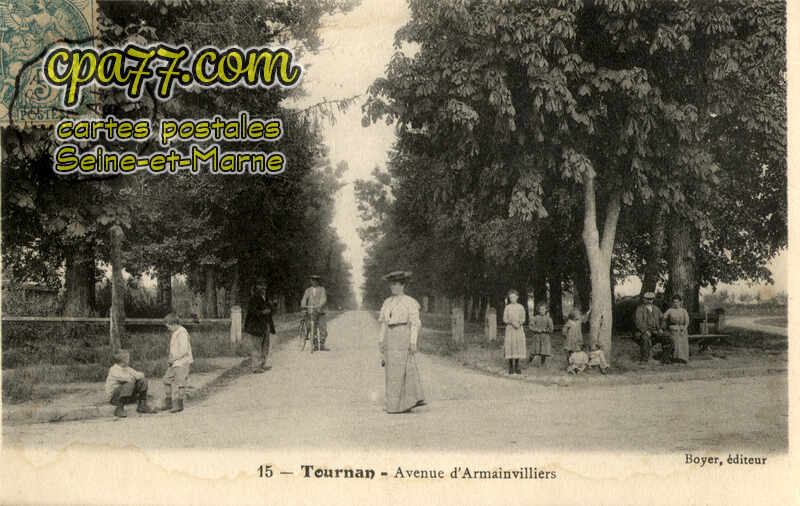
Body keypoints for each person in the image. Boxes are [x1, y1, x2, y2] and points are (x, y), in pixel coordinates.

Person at [378, 270, 425, 413]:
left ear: (403, 285)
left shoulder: (410, 302)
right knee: (391, 371)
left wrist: (413, 341)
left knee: (404, 370)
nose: (394, 287)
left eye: (397, 284)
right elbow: (384, 323)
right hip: (390, 337)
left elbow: (415, 323)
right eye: (391, 285)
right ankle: (392, 404)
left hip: (403, 335)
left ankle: (406, 403)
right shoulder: (387, 302)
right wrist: (381, 340)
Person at [104, 349, 155, 417]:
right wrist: (134, 377)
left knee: (143, 381)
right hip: (115, 397)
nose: (129, 359)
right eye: (128, 358)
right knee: (129, 384)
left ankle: (142, 405)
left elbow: (141, 375)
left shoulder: (127, 368)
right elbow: (127, 379)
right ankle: (119, 408)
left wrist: (134, 376)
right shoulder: (114, 369)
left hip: (126, 394)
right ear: (123, 360)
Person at [163, 313, 193, 413]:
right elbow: (173, 349)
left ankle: (179, 403)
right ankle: (168, 402)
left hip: (182, 362)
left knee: (180, 382)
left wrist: (174, 359)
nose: (168, 328)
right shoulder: (175, 333)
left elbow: (184, 351)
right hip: (174, 362)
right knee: (166, 379)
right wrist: (170, 359)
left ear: (174, 324)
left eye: (169, 326)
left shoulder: (182, 333)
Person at [244, 278, 276, 373]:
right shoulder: (253, 298)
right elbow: (251, 311)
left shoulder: (266, 298)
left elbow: (272, 311)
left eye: (264, 285)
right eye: (260, 285)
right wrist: (262, 312)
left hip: (265, 324)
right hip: (255, 325)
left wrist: (273, 307)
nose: (263, 287)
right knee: (256, 346)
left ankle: (262, 364)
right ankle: (255, 367)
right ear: (256, 286)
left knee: (265, 345)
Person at [634, 292, 671, 363]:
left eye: (651, 299)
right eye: (647, 299)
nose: (649, 301)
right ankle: (645, 359)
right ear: (644, 299)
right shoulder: (640, 309)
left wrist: (661, 328)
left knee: (669, 339)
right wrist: (645, 331)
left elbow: (663, 319)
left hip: (656, 331)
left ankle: (665, 358)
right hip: (643, 332)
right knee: (645, 339)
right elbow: (638, 322)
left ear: (653, 300)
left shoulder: (656, 309)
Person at [301, 274, 329, 351]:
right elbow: (304, 299)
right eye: (312, 280)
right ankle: (315, 344)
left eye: (315, 280)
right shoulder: (308, 290)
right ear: (311, 281)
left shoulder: (322, 289)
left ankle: (322, 344)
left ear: (318, 281)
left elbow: (324, 298)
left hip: (320, 311)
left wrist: (320, 305)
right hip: (311, 311)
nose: (313, 282)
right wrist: (303, 306)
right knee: (312, 328)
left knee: (322, 328)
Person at [503, 289, 527, 375]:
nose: (512, 299)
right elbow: (504, 319)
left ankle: (517, 366)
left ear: (517, 297)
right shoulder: (507, 307)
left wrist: (519, 323)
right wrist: (511, 322)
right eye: (511, 297)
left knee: (517, 345)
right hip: (510, 329)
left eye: (514, 297)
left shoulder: (520, 307)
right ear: (509, 298)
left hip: (518, 329)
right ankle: (510, 366)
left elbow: (523, 318)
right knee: (510, 345)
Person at [663, 294, 690, 363]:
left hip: (682, 328)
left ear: (680, 302)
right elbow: (663, 317)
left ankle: (683, 358)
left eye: (677, 302)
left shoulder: (684, 311)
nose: (676, 304)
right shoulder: (670, 310)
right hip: (673, 328)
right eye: (674, 302)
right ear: (672, 303)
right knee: (675, 339)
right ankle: (675, 358)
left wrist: (684, 329)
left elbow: (687, 322)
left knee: (682, 338)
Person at [528, 302, 554, 366]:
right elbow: (531, 326)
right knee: (534, 350)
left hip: (545, 337)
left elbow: (551, 329)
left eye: (543, 309)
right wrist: (536, 329)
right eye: (540, 309)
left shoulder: (549, 319)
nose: (542, 311)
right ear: (538, 310)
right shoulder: (535, 318)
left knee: (544, 351)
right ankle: (529, 361)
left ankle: (542, 363)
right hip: (537, 336)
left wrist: (545, 330)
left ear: (546, 310)